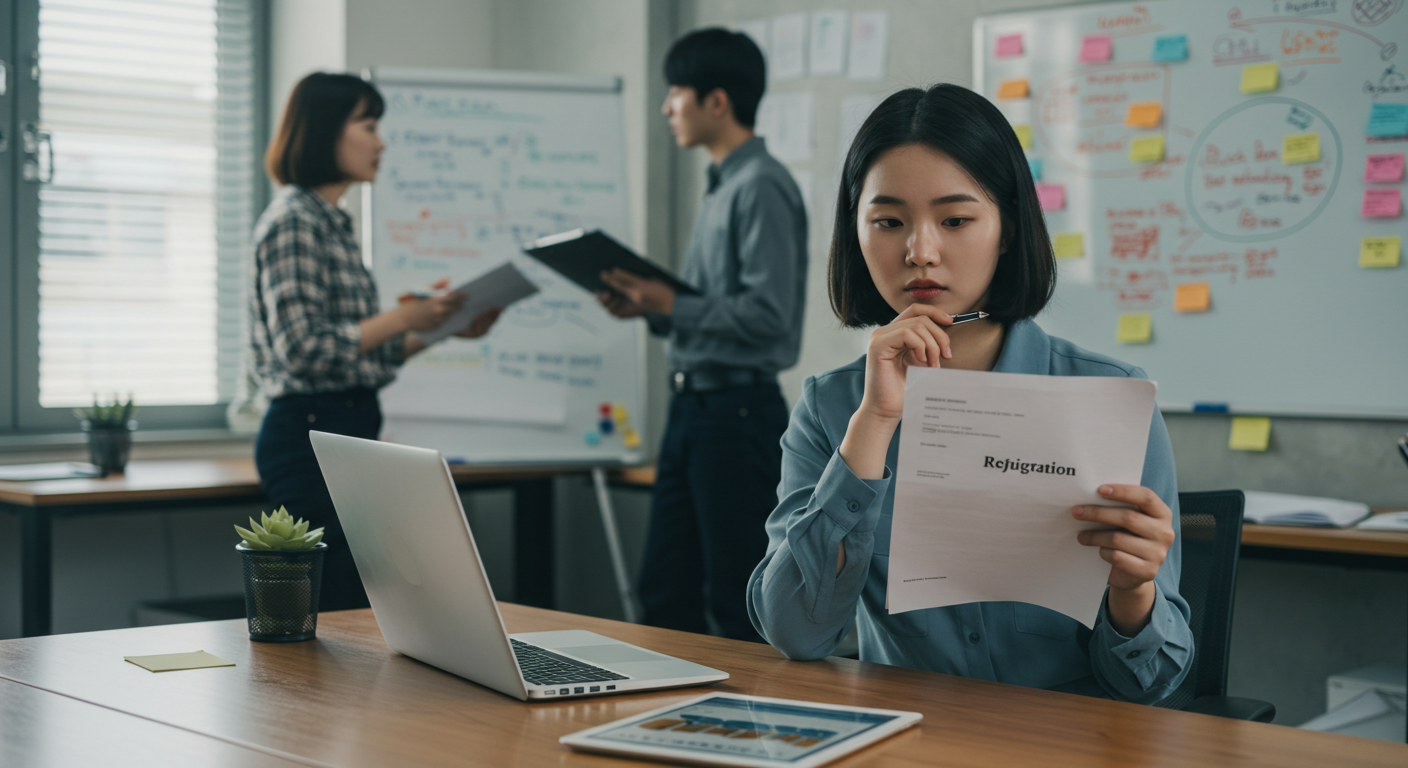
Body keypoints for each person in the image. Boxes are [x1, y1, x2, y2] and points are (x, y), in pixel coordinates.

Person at [745, 84, 1193, 704]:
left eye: (955, 220)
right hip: (906, 740)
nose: (919, 252)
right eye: (888, 221)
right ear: (856, 232)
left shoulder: (1108, 399)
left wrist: (1132, 593)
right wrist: (873, 423)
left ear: (1006, 231)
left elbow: (1150, 684)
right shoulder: (830, 407)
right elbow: (797, 633)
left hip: (1065, 743)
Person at [250, 73, 501, 611]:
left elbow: (368, 354)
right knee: (340, 604)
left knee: (367, 600)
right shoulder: (293, 222)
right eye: (368, 125)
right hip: (308, 432)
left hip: (348, 424)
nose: (381, 142)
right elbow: (303, 349)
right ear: (324, 132)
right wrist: (403, 315)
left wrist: (444, 325)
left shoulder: (333, 224)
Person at [595, 29, 807, 642]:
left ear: (717, 101)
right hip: (694, 409)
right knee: (665, 588)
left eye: (677, 93)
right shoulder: (720, 186)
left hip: (736, 412)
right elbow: (712, 311)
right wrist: (653, 309)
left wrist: (675, 305)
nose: (667, 108)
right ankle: (669, 726)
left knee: (735, 594)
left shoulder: (760, 185)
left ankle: (751, 729)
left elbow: (769, 317)